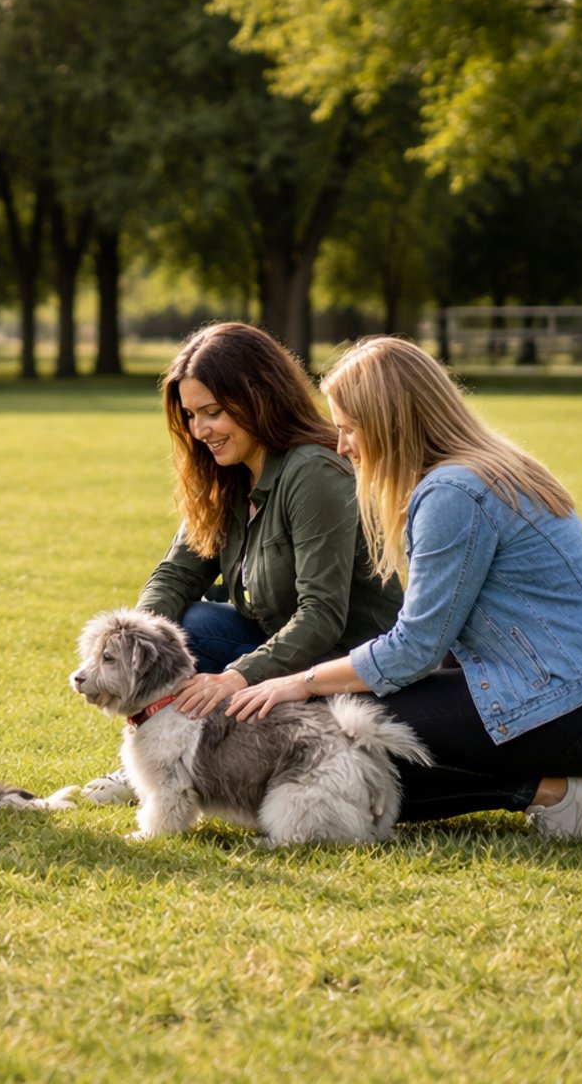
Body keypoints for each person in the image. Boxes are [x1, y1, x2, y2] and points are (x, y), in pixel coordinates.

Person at [227, 336, 582, 837]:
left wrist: (300, 681)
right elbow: (442, 640)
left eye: (349, 429)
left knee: (338, 742)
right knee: (343, 736)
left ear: (390, 425)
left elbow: (415, 648)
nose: (342, 446)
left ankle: (555, 793)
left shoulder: (452, 493)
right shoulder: (493, 466)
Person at [82, 321, 405, 803]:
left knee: (203, 632)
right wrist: (134, 641)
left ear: (259, 396)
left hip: (345, 661)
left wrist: (237, 677)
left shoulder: (315, 471)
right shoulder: (227, 475)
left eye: (213, 412)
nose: (200, 430)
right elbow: (175, 575)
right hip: (279, 641)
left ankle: (223, 771)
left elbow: (321, 616)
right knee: (188, 622)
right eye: (191, 416)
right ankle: (162, 769)